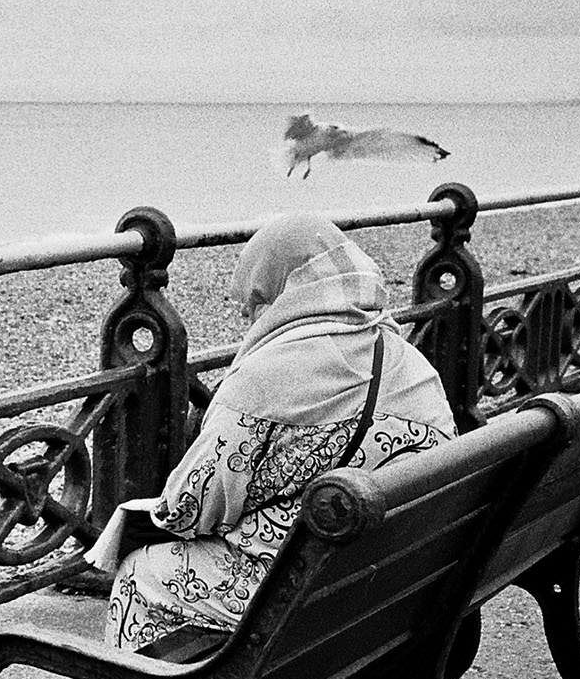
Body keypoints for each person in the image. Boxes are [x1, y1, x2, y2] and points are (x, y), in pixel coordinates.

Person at [101, 214, 457, 649]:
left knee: (142, 570)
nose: (251, 314)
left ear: (279, 289)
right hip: (401, 580)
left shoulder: (270, 376)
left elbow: (190, 506)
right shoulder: (410, 362)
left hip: (308, 599)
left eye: (256, 300)